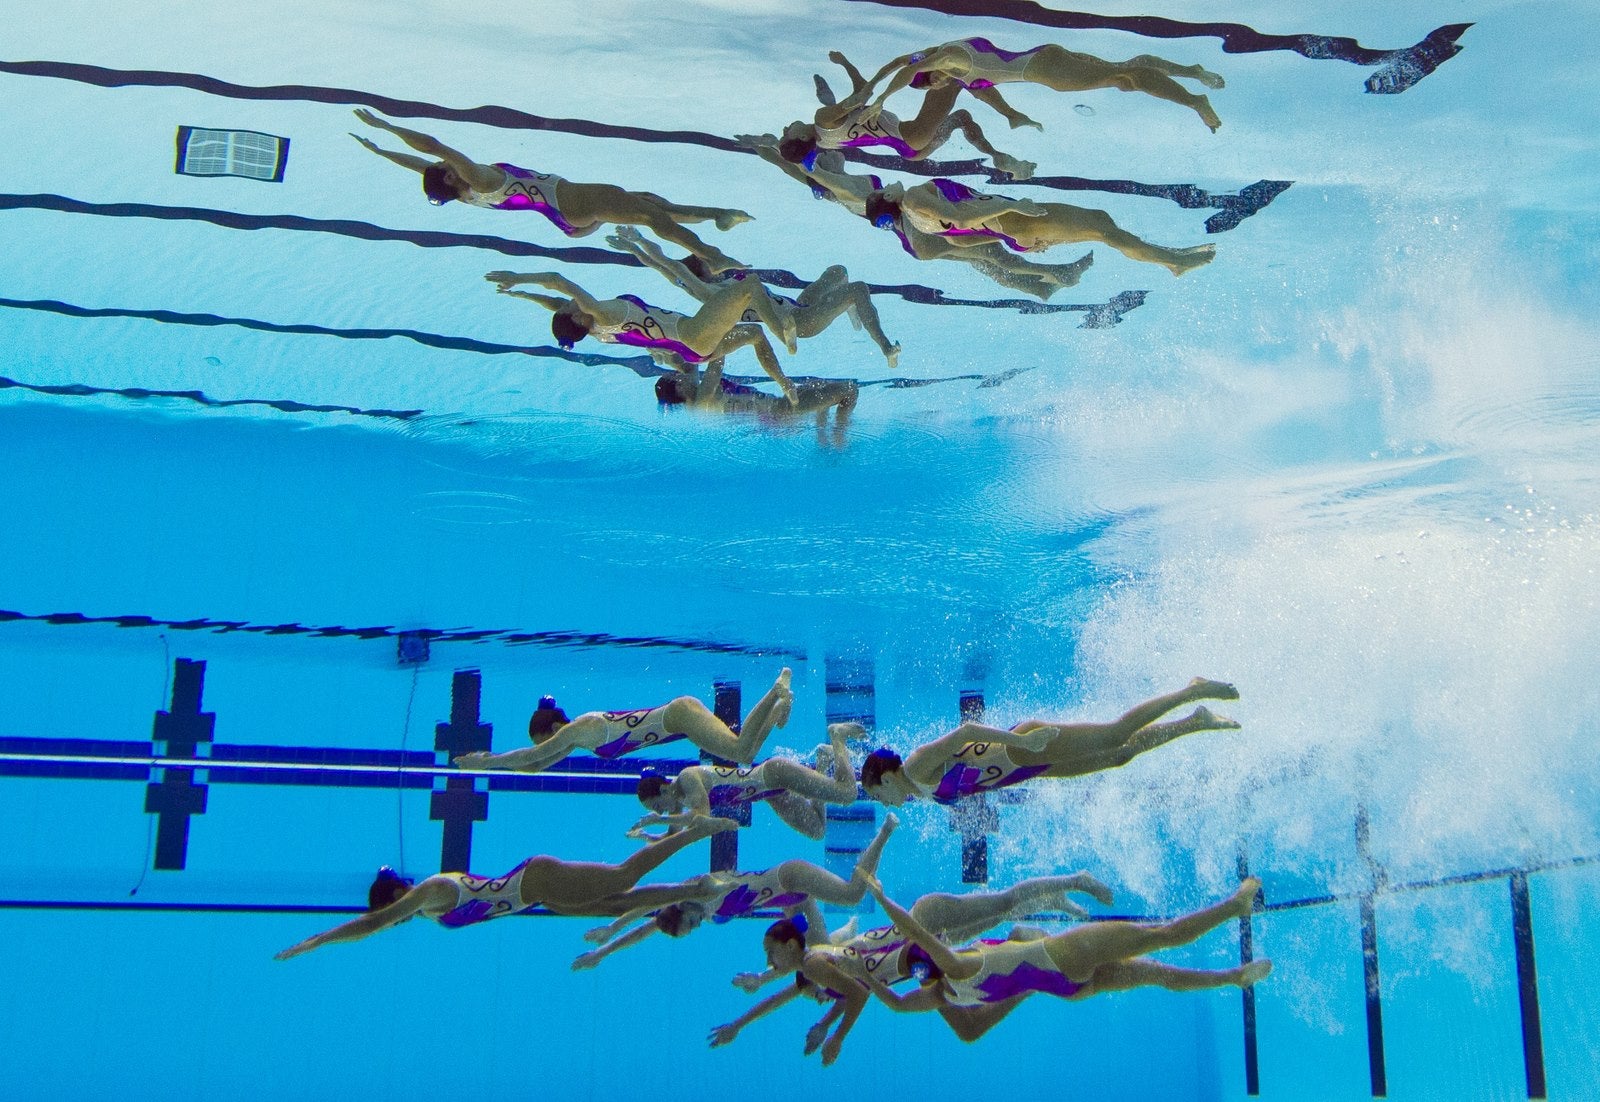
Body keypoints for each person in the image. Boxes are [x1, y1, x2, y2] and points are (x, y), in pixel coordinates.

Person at [850, 872, 1270, 1042]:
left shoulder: (944, 994)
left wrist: (864, 978)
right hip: (1062, 957)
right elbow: (914, 928)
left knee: (1154, 973)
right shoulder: (958, 965)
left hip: (1067, 988)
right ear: (936, 957)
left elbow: (898, 1003)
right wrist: (880, 895)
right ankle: (1235, 906)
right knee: (1158, 936)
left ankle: (1233, 977)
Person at [745, 871, 1113, 1063]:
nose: (822, 1002)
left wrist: (834, 1034)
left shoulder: (815, 965)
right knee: (998, 918)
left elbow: (845, 993)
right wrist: (823, 1027)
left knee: (1002, 905)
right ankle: (1045, 913)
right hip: (925, 951)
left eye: (816, 999)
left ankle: (1073, 882)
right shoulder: (830, 964)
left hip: (921, 930)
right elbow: (846, 994)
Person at [273, 816, 738, 959]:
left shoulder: (432, 892)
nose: (396, 919)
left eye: (394, 911)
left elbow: (373, 924)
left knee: (621, 879)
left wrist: (317, 940)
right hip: (534, 896)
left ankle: (693, 832)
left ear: (396, 898)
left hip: (534, 879)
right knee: (613, 904)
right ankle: (690, 888)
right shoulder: (432, 912)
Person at [351, 108, 753, 271]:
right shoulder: (478, 180)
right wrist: (388, 127)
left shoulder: (467, 193)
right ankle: (711, 256)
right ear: (452, 176)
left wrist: (381, 150)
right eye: (445, 169)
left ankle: (715, 216)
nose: (444, 164)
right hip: (570, 201)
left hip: (566, 215)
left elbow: (419, 164)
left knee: (646, 203)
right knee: (648, 214)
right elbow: (433, 149)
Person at [744, 141, 1091, 300]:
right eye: (826, 156)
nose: (835, 151)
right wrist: (803, 161)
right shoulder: (849, 187)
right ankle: (1055, 274)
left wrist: (771, 154)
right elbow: (817, 174)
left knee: (984, 262)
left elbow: (804, 177)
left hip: (913, 244)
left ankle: (1040, 287)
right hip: (914, 234)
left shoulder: (839, 194)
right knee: (992, 254)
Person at [572, 813, 899, 970]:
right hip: (789, 898)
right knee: (819, 957)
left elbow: (644, 905)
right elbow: (647, 929)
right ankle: (846, 933)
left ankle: (885, 829)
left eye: (691, 924)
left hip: (788, 877)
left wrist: (612, 926)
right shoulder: (704, 912)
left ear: (683, 910)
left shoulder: (697, 893)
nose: (697, 925)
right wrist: (602, 954)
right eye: (693, 930)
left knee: (852, 894)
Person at [860, 677, 1241, 806]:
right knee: (1119, 756)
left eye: (878, 795)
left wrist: (1022, 741)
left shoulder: (917, 764)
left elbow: (967, 733)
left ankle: (1191, 691)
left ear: (887, 778)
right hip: (1026, 769)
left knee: (1115, 735)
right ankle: (1194, 722)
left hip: (1020, 748)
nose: (883, 803)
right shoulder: (915, 790)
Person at [484, 270, 801, 404]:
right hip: (692, 336)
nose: (570, 302)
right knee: (749, 287)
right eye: (571, 306)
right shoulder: (602, 314)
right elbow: (557, 282)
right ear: (577, 316)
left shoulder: (596, 332)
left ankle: (786, 386)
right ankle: (783, 330)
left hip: (692, 350)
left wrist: (523, 295)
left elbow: (555, 303)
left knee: (754, 333)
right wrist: (519, 277)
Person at [608, 226, 901, 367]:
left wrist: (637, 245)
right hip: (804, 322)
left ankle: (849, 309)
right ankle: (886, 347)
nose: (718, 267)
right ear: (706, 273)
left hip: (799, 305)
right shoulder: (707, 291)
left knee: (838, 272)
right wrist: (638, 243)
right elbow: (672, 267)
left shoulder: (716, 288)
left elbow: (665, 266)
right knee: (858, 288)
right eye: (712, 266)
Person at [746, 48, 1036, 181]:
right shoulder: (822, 120)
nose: (786, 126)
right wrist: (844, 61)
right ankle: (1011, 98)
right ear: (800, 135)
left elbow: (859, 96)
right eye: (787, 132)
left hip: (911, 152)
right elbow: (863, 95)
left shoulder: (827, 143)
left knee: (960, 117)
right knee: (954, 74)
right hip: (911, 137)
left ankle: (1000, 158)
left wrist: (849, 65)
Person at [454, 670, 793, 774]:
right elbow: (535, 765)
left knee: (739, 750)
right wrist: (493, 767)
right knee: (744, 754)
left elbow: (531, 757)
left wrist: (483, 762)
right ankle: (778, 707)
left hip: (679, 716)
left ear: (553, 730)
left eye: (543, 741)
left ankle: (777, 691)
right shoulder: (575, 740)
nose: (545, 748)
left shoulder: (580, 729)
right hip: (680, 721)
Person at [862, 38, 1225, 133]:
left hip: (1045, 70)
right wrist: (1013, 115)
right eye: (932, 84)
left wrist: (881, 98)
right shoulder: (957, 70)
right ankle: (1193, 70)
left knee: (1124, 79)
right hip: (1045, 59)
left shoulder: (948, 56)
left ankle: (1195, 100)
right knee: (1125, 69)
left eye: (932, 79)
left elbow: (909, 68)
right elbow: (901, 64)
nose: (938, 80)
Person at [885, 178, 1216, 277]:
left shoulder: (921, 224)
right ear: (887, 196)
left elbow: (959, 242)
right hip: (1016, 220)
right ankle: (1174, 262)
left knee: (1100, 220)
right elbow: (960, 221)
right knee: (1103, 231)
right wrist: (1012, 208)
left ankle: (1169, 255)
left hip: (1015, 231)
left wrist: (1016, 241)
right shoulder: (913, 198)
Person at [630, 722, 864, 840]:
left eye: (658, 806)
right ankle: (823, 760)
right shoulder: (680, 799)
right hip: (772, 793)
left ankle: (837, 736)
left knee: (846, 794)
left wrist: (655, 820)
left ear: (663, 789)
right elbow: (673, 834)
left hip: (773, 774)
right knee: (817, 831)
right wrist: (648, 836)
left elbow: (701, 815)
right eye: (658, 811)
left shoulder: (688, 779)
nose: (662, 812)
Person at [654, 363, 860, 446]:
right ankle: (840, 439)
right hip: (782, 413)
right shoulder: (704, 398)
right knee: (849, 390)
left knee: (818, 385)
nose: (681, 374)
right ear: (679, 387)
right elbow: (716, 359)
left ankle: (823, 438)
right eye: (677, 377)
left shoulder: (694, 397)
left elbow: (689, 363)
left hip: (776, 413)